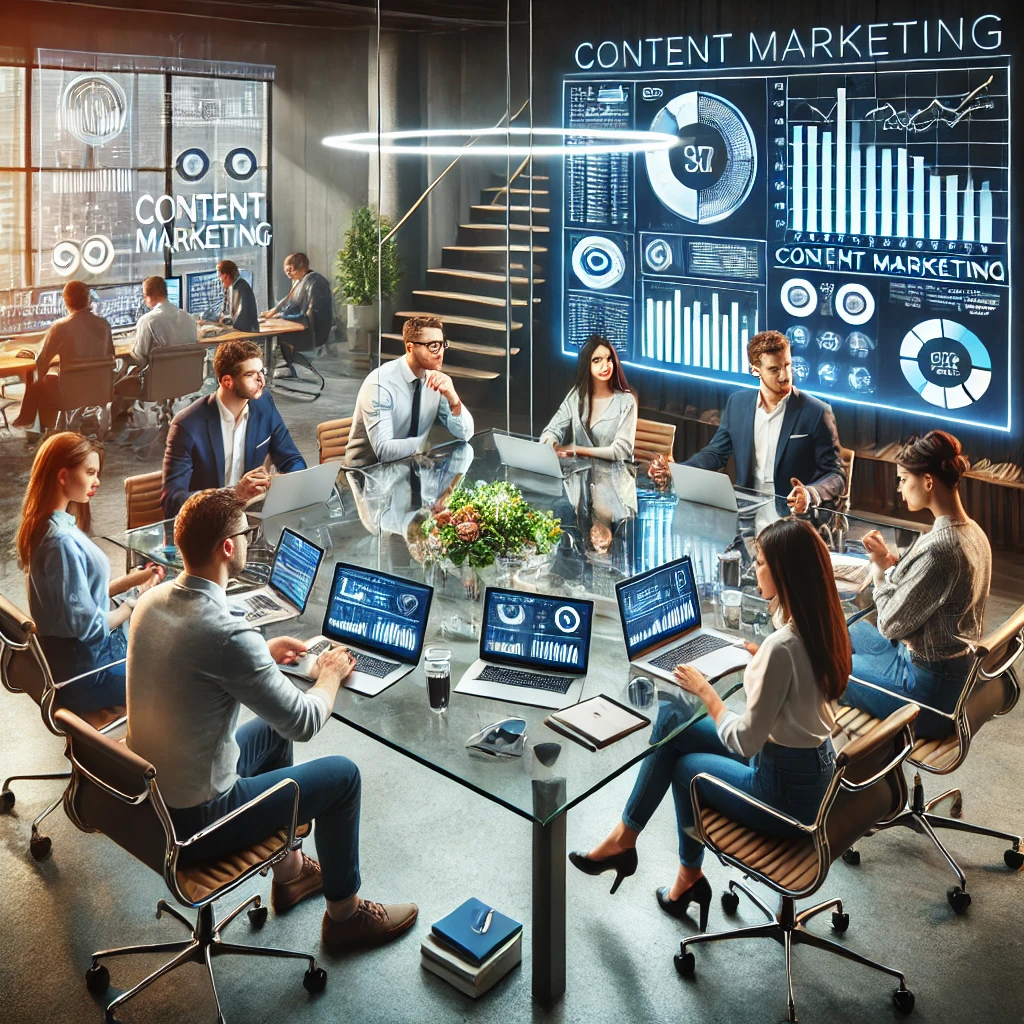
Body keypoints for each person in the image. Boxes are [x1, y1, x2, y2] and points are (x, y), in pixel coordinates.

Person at [125, 488, 418, 948]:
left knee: (269, 734)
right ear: (227, 547)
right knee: (343, 777)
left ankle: (292, 872)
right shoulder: (227, 634)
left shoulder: (152, 602)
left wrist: (262, 652)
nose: (248, 540)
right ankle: (345, 917)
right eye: (246, 533)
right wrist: (331, 675)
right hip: (197, 822)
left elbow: (197, 661)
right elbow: (304, 720)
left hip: (150, 798)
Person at [570, 518, 848, 929]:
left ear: (786, 573)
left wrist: (708, 693)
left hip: (784, 794)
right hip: (816, 768)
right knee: (672, 721)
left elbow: (746, 741)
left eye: (762, 562)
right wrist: (759, 661)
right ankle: (626, 838)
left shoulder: (782, 648)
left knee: (686, 769)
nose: (755, 570)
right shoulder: (821, 622)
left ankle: (685, 875)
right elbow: (794, 684)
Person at [840, 431, 990, 738]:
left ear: (928, 481)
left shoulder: (940, 549)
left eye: (903, 479)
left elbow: (889, 624)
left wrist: (879, 572)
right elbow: (925, 593)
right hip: (942, 670)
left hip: (928, 696)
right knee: (847, 630)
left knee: (832, 669)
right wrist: (889, 563)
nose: (899, 489)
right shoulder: (973, 532)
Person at [16, 432, 164, 714]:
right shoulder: (61, 542)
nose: (97, 481)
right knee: (175, 665)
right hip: (89, 677)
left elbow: (78, 599)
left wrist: (135, 582)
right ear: (63, 475)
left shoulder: (47, 526)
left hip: (75, 665)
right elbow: (89, 626)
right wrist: (133, 605)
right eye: (90, 472)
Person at [649, 330, 845, 513]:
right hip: (745, 511)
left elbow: (836, 475)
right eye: (774, 370)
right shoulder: (738, 403)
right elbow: (715, 454)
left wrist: (811, 494)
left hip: (792, 517)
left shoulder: (817, 412)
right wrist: (678, 471)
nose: (785, 376)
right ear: (755, 371)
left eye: (787, 366)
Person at [161, 339, 306, 517]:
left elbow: (292, 459)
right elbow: (173, 501)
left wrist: (286, 480)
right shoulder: (187, 425)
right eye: (250, 374)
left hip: (251, 517)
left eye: (261, 372)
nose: (261, 380)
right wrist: (234, 494)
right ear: (228, 381)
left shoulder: (263, 404)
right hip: (207, 524)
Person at [344, 315, 474, 468]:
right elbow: (385, 452)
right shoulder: (380, 384)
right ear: (410, 348)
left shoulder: (434, 379)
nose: (440, 353)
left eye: (442, 344)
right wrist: (425, 448)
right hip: (365, 476)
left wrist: (454, 400)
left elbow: (466, 433)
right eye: (433, 345)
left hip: (411, 471)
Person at [12, 280, 114, 429]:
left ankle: (28, 423)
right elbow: (111, 354)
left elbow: (42, 361)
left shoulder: (60, 327)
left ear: (65, 301)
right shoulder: (104, 325)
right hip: (100, 391)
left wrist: (44, 380)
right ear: (88, 299)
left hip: (69, 395)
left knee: (36, 387)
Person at [112, 275, 200, 418]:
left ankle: (114, 427)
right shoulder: (189, 318)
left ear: (147, 296)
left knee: (120, 371)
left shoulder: (147, 321)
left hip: (157, 384)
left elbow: (140, 359)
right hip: (186, 380)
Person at [539, 334, 638, 461]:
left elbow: (621, 451)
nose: (605, 366)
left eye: (609, 359)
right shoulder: (577, 396)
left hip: (615, 477)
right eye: (597, 360)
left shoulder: (626, 401)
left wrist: (576, 449)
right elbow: (552, 430)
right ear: (587, 364)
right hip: (579, 476)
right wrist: (552, 445)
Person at [261, 252, 334, 379]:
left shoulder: (315, 282)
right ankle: (282, 367)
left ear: (301, 267)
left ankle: (289, 367)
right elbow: (288, 301)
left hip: (312, 329)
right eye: (286, 270)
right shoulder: (300, 280)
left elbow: (311, 314)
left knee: (281, 336)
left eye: (290, 269)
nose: (288, 273)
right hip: (300, 323)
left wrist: (282, 317)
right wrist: (274, 312)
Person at [213, 258, 259, 333]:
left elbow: (243, 317)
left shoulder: (241, 287)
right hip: (241, 329)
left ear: (226, 276)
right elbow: (229, 313)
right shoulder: (232, 287)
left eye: (220, 276)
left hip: (247, 332)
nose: (220, 280)